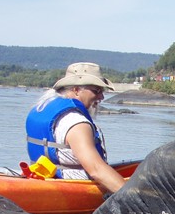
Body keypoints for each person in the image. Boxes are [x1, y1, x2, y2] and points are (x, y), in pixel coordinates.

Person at [25, 62, 125, 193]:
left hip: (41, 180)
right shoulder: (76, 122)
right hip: (72, 190)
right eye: (96, 91)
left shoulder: (42, 106)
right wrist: (137, 200)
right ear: (76, 90)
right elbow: (96, 170)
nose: (101, 97)